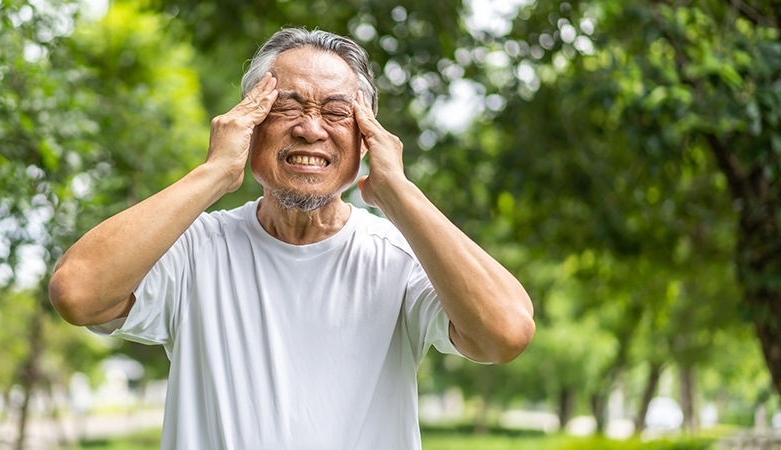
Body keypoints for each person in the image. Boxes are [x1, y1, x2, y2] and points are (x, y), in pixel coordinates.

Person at [49, 27, 535, 449]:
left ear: (366, 136)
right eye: (286, 106)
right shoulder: (195, 249)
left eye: (336, 112)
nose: (310, 129)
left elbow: (506, 334)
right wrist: (215, 172)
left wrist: (399, 193)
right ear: (250, 122)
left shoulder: (401, 259)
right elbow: (78, 293)